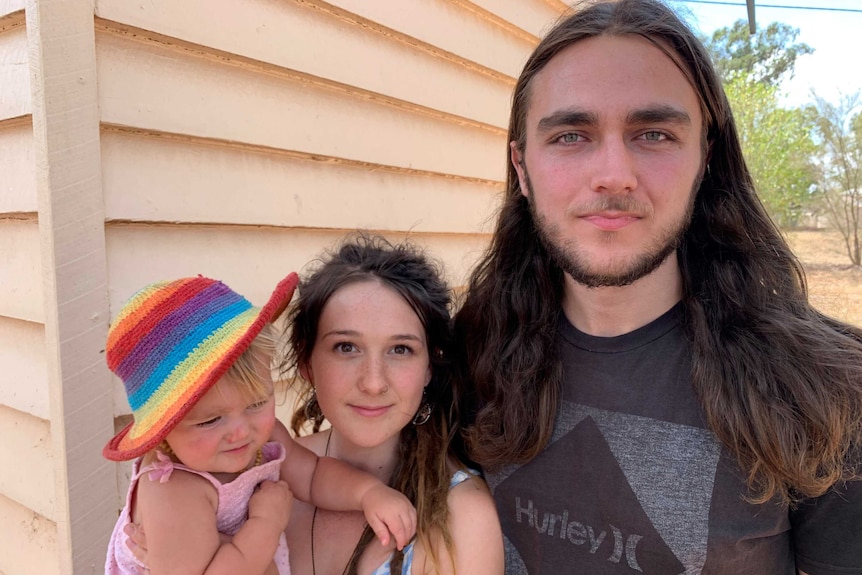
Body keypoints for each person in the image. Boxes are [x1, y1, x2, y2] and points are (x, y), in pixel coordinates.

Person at [452, 1, 862, 573]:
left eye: (654, 133)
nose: (614, 173)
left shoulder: (830, 389)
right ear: (521, 169)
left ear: (705, 159)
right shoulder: (464, 354)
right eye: (571, 135)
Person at [103, 273, 417, 575]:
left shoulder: (261, 439)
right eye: (211, 420)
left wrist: (369, 493)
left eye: (256, 404)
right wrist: (266, 523)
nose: (241, 431)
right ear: (163, 430)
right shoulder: (172, 489)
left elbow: (312, 474)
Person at [280, 234, 504, 575]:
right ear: (306, 362)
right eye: (346, 347)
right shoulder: (265, 474)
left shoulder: (462, 517)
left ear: (429, 367)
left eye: (400, 350)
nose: (373, 383)